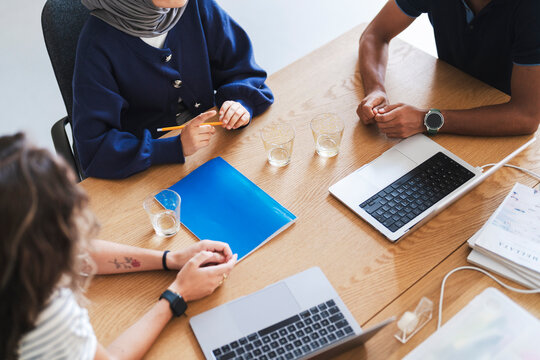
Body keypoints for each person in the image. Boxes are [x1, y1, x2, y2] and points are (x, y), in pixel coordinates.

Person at [0, 133, 237, 360]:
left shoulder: (12, 249)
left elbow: (80, 252)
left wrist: (170, 259)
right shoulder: (42, 312)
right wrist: (177, 295)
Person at [73, 0, 273, 179]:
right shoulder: (97, 44)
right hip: (146, 172)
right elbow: (95, 148)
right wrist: (172, 148)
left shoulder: (196, 4)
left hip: (214, 145)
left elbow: (242, 68)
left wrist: (239, 103)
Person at [357, 0, 540, 138]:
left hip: (503, 125)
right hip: (450, 95)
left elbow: (526, 116)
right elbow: (375, 35)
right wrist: (375, 89)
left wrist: (428, 120)